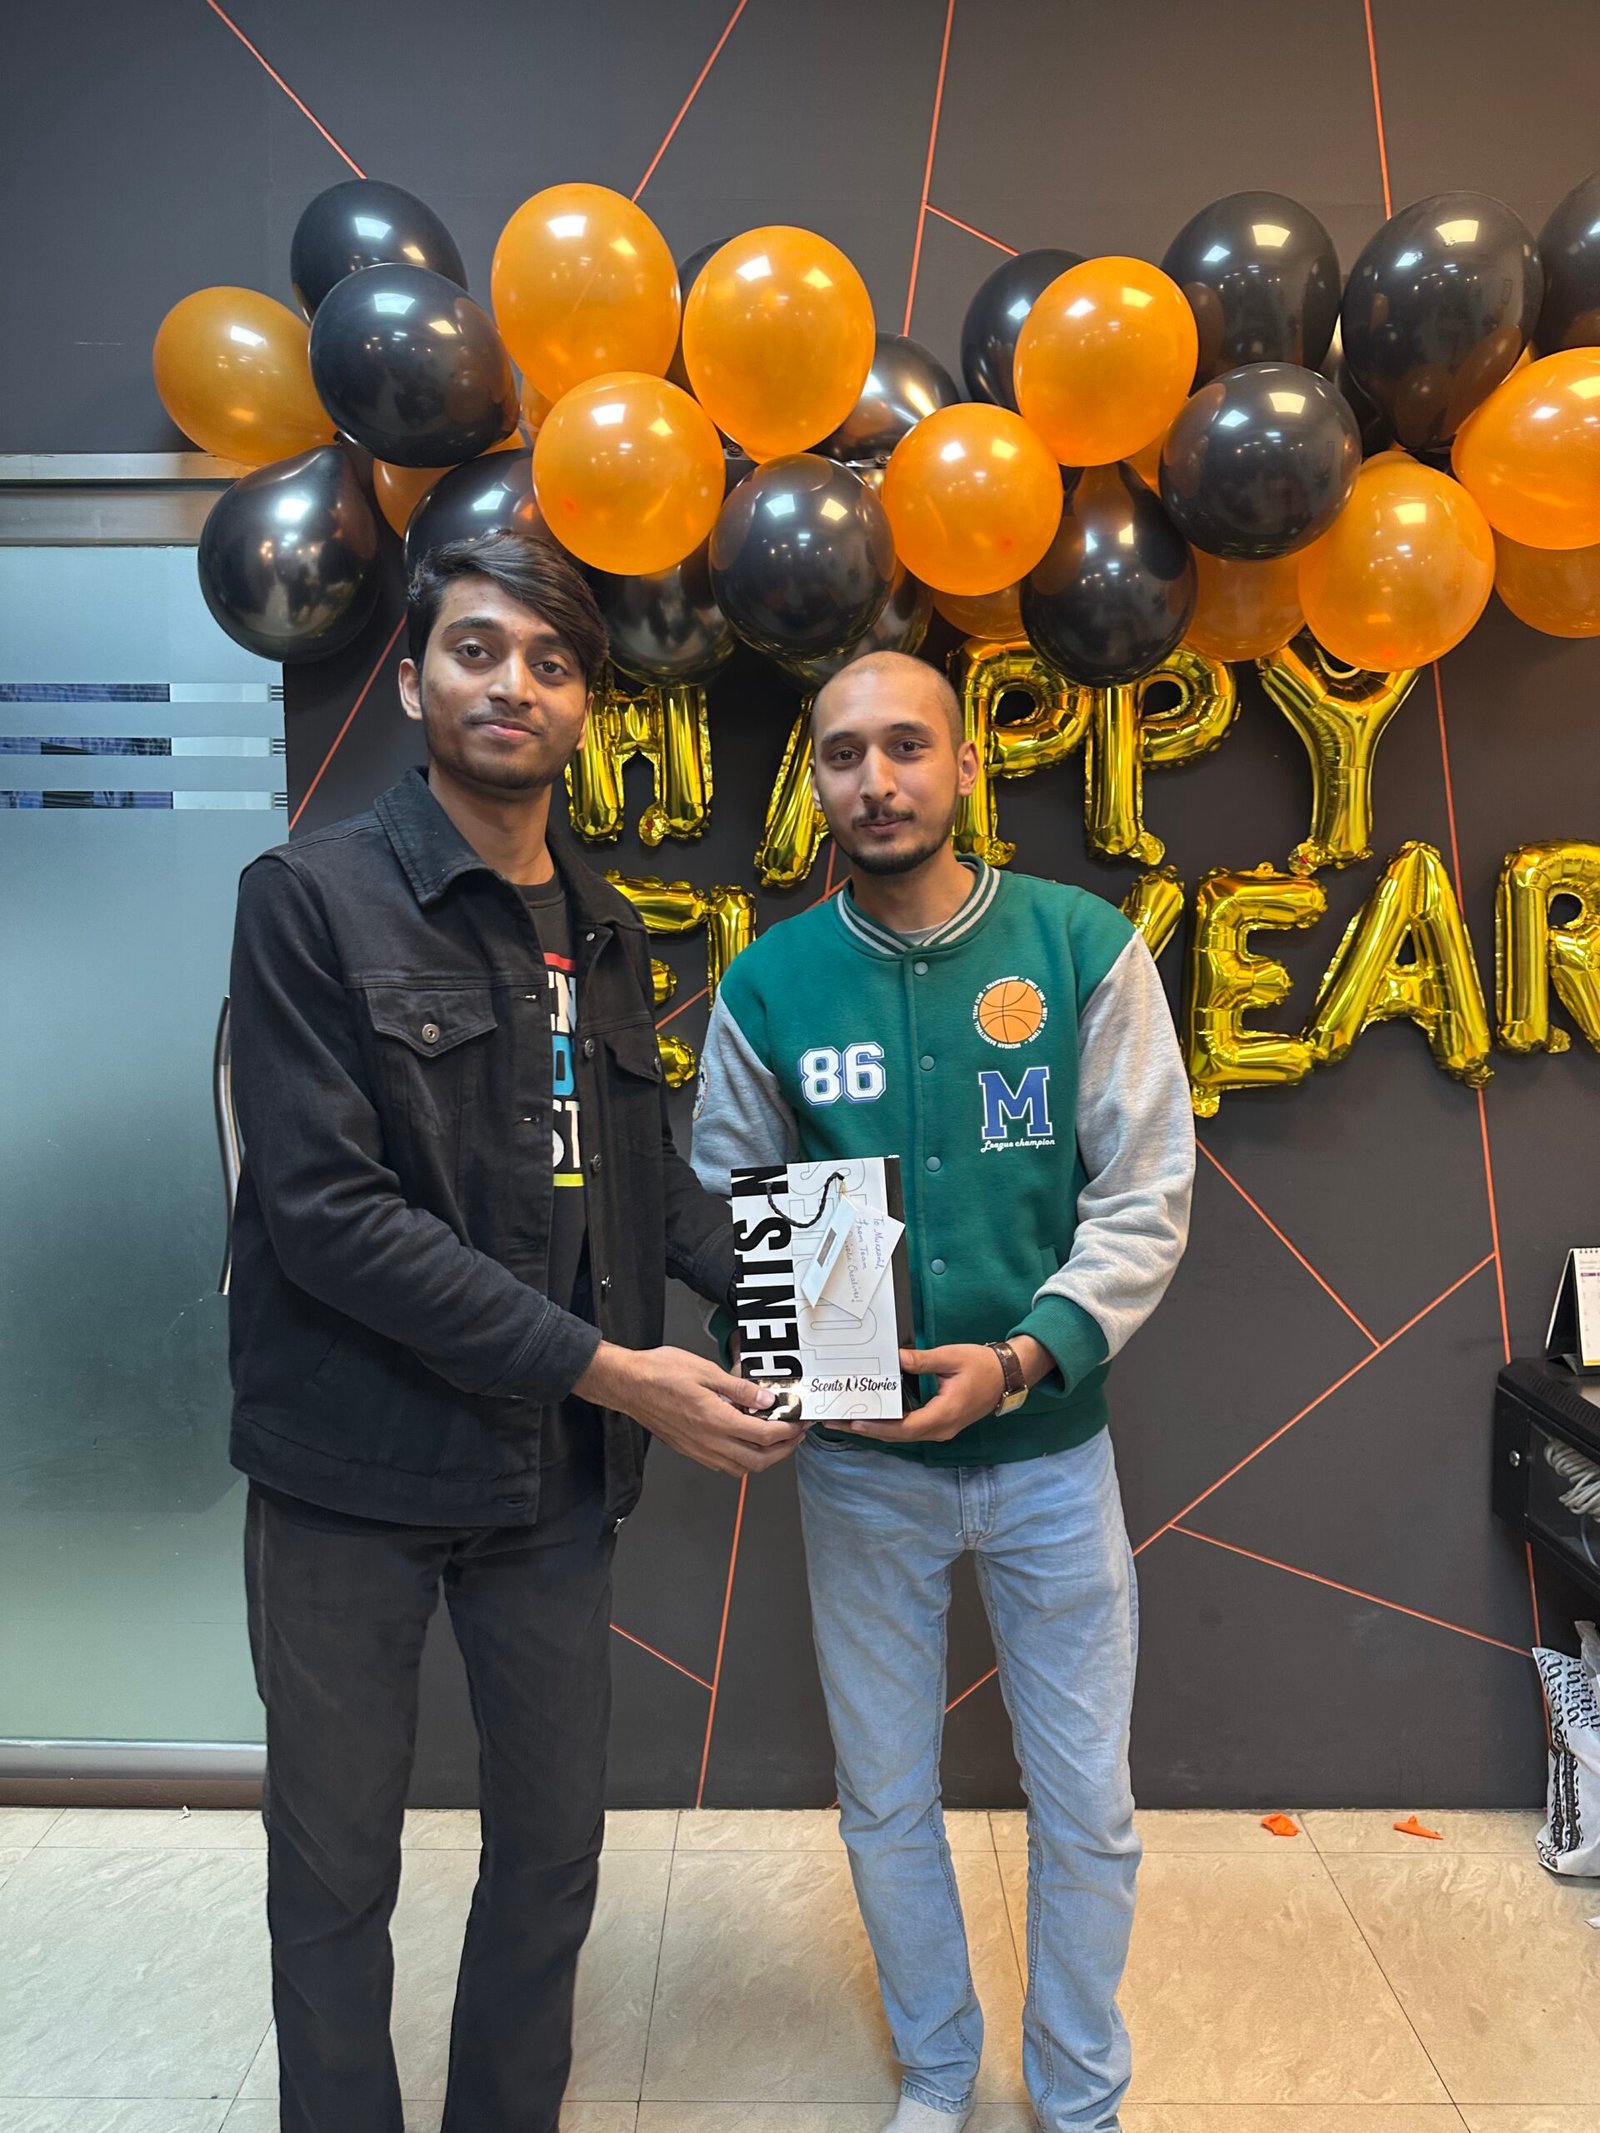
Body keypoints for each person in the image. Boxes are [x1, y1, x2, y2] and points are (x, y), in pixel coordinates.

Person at [226, 528, 800, 2133]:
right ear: (414, 680)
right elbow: (330, 1218)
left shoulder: (603, 926)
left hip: (547, 1484)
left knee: (551, 1854)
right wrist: (617, 1372)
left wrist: (820, 1311)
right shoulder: (308, 899)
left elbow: (641, 1185)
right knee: (335, 1869)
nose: (515, 685)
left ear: (584, 709)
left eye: (552, 663)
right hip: (349, 1472)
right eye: (478, 649)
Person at [692, 650, 1194, 2133]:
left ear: (967, 764)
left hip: (1050, 1455)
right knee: (885, 1797)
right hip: (860, 1474)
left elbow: (1146, 1195)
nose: (878, 780)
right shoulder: (768, 984)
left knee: (1088, 1803)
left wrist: (1025, 1357)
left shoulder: (1078, 945)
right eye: (845, 754)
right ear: (817, 781)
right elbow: (730, 1199)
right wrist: (774, 1350)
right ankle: (933, 2070)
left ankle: (1080, 2094)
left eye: (908, 745)